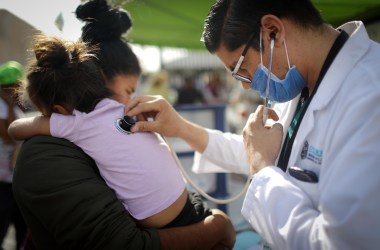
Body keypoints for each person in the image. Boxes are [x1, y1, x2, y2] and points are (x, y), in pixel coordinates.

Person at [124, 0, 380, 249]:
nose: (245, 85)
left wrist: (262, 169)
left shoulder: (370, 96)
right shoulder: (303, 84)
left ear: (273, 31)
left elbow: (342, 243)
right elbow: (262, 152)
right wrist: (179, 127)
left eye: (241, 69)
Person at [9, 0, 235, 249]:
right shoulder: (47, 154)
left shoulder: (100, 125)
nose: (130, 100)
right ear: (101, 80)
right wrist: (217, 227)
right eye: (128, 90)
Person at [0, 61, 27, 250]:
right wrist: (9, 105)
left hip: (12, 177)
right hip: (3, 178)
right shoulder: (3, 106)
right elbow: (9, 136)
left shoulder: (12, 106)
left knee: (20, 224)